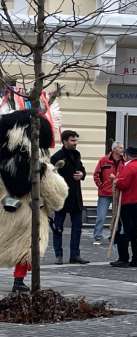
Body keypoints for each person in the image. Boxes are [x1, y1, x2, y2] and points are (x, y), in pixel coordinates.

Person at [0, 98, 68, 293]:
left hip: (5, 209)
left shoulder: (3, 162)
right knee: (29, 247)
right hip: (30, 212)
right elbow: (57, 197)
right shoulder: (40, 166)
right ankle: (18, 281)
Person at [50, 130, 89, 265]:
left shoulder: (77, 154)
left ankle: (75, 255)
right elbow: (50, 176)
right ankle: (58, 255)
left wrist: (81, 175)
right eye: (72, 140)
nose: (75, 143)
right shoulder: (56, 157)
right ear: (65, 141)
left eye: (76, 140)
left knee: (77, 228)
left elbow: (82, 169)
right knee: (58, 227)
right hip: (61, 197)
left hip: (76, 197)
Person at [110, 147, 137, 268]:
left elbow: (123, 184)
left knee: (124, 231)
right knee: (136, 232)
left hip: (129, 203)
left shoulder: (129, 167)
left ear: (127, 156)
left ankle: (123, 258)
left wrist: (115, 180)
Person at [92, 141, 124, 245]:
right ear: (114, 149)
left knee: (116, 216)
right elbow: (96, 174)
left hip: (118, 192)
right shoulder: (104, 160)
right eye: (120, 148)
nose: (122, 150)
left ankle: (113, 236)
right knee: (101, 216)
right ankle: (97, 237)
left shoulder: (124, 161)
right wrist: (101, 186)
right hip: (104, 193)